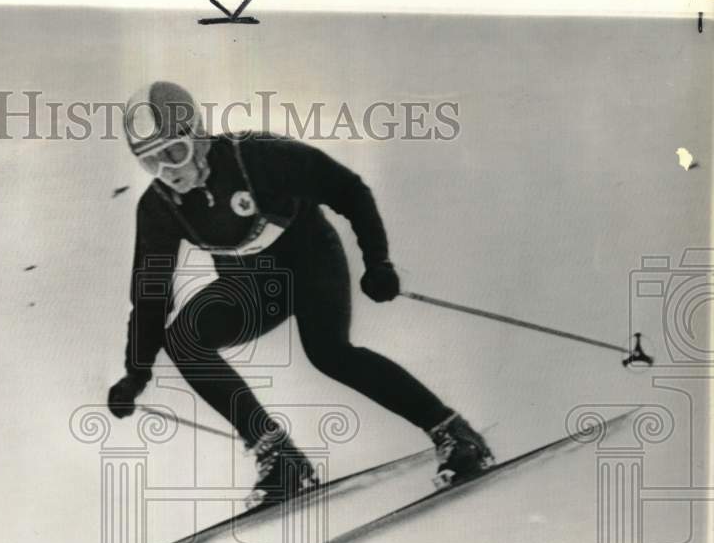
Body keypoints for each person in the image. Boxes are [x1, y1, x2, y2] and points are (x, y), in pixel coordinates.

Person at [107, 81, 493, 506]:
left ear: (197, 137)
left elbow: (348, 189)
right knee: (184, 336)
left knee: (329, 354)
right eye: (150, 162)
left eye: (174, 153)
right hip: (254, 287)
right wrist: (136, 373)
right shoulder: (159, 207)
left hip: (311, 264)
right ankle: (280, 458)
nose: (168, 172)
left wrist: (377, 262)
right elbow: (150, 294)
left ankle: (451, 431)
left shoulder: (254, 156)